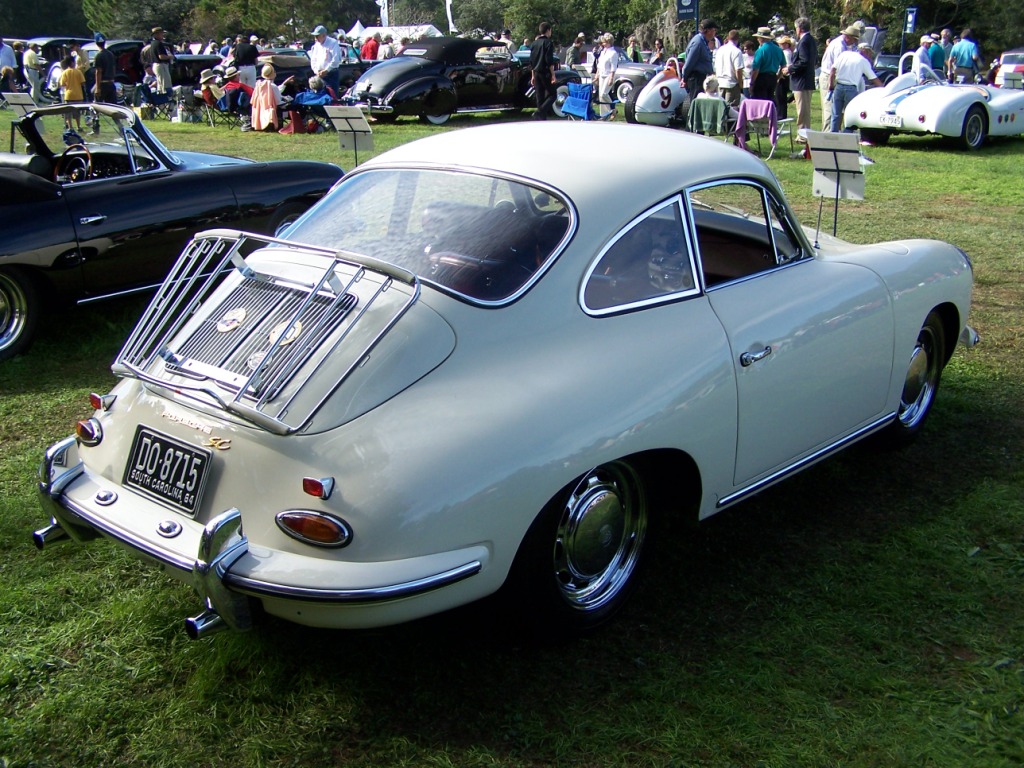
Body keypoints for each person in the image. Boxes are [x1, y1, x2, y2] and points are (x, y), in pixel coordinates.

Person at [829, 44, 881, 132]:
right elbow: (873, 78)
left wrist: (831, 85)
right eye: (869, 53)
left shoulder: (844, 54)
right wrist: (883, 88)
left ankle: (833, 134)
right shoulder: (863, 61)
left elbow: (833, 70)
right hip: (851, 89)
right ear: (865, 51)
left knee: (836, 114)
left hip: (838, 86)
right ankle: (847, 135)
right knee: (851, 114)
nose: (870, 56)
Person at [819, 25, 860, 131]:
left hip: (836, 77)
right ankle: (828, 137)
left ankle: (836, 134)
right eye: (854, 39)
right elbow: (837, 68)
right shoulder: (839, 46)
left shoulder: (846, 45)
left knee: (837, 110)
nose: (855, 42)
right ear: (848, 37)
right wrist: (831, 84)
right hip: (829, 77)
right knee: (830, 109)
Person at [787, 17, 818, 139]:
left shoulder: (805, 41)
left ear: (799, 28)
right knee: (803, 110)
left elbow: (804, 61)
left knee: (802, 111)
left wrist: (790, 69)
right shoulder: (809, 40)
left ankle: (803, 135)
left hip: (802, 82)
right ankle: (803, 133)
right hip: (804, 81)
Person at [682, 19, 718, 100]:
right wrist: (684, 78)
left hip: (702, 78)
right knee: (696, 104)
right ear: (708, 31)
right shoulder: (698, 42)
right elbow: (689, 63)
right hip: (696, 79)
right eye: (714, 30)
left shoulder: (703, 42)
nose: (714, 33)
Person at [529, 21, 557, 120]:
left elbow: (532, 61)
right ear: (548, 30)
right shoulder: (548, 43)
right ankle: (539, 112)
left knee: (539, 96)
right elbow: (549, 60)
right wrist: (553, 74)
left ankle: (541, 118)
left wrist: (532, 75)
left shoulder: (534, 44)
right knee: (553, 94)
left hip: (536, 72)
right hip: (545, 72)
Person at [749, 26, 786, 101]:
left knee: (760, 102)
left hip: (761, 78)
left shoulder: (761, 50)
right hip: (772, 78)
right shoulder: (779, 50)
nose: (757, 39)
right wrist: (777, 77)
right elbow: (783, 66)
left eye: (758, 37)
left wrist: (752, 83)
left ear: (761, 38)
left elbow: (756, 69)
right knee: (770, 101)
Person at [250, 64, 290, 131]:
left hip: (260, 110)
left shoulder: (259, 85)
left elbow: (276, 91)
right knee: (291, 106)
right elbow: (278, 101)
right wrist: (287, 101)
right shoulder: (272, 86)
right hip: (272, 109)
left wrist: (284, 84)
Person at [714, 29, 744, 107]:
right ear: (738, 38)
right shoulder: (737, 51)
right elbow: (738, 70)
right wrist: (740, 84)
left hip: (720, 82)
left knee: (720, 108)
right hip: (732, 84)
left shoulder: (720, 50)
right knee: (731, 109)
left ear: (728, 37)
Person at [309, 25, 342, 94]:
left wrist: (326, 70)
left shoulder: (333, 43)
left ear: (324, 35)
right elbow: (313, 60)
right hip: (319, 75)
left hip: (331, 74)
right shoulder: (316, 45)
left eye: (317, 36)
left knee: (332, 95)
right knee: (320, 95)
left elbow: (336, 60)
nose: (315, 38)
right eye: (315, 36)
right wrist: (316, 71)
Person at [594, 32, 619, 118]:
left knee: (604, 94)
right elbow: (600, 64)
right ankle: (604, 115)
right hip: (601, 74)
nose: (603, 44)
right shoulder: (603, 52)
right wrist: (597, 74)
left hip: (609, 75)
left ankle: (613, 109)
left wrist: (611, 77)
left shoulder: (613, 53)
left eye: (604, 42)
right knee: (601, 97)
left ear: (609, 42)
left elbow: (613, 66)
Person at [58, 56, 86, 129]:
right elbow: (83, 83)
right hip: (78, 95)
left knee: (68, 113)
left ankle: (70, 127)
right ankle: (78, 126)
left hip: (68, 95)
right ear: (72, 63)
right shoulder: (78, 72)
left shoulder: (64, 72)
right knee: (77, 112)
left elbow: (62, 84)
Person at [92, 33, 117, 103]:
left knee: (98, 105)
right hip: (111, 83)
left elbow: (98, 71)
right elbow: (114, 68)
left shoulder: (98, 55)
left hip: (102, 83)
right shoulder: (110, 54)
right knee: (112, 107)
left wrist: (97, 88)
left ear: (96, 43)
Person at [150, 27, 175, 94]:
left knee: (160, 85)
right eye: (161, 33)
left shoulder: (153, 43)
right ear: (156, 34)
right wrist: (170, 56)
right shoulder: (158, 43)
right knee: (165, 85)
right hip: (161, 65)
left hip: (156, 65)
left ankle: (161, 101)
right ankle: (166, 101)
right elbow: (161, 56)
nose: (162, 35)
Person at [775, 36, 794, 119]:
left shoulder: (786, 53)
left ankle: (781, 115)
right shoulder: (788, 52)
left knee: (780, 96)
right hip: (785, 76)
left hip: (783, 76)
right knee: (781, 97)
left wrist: (779, 75)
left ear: (787, 44)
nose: (780, 45)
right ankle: (782, 114)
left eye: (782, 43)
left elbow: (785, 65)